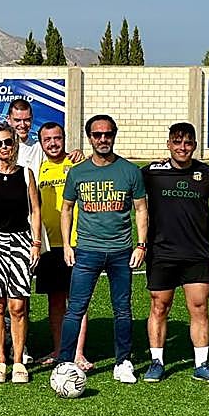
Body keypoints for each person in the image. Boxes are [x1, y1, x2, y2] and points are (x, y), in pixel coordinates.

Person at [60, 115, 148, 384]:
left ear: (114, 135)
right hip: (87, 250)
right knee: (75, 309)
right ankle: (65, 363)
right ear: (89, 138)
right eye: (97, 135)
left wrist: (141, 245)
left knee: (122, 309)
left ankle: (123, 362)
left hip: (121, 251)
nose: (102, 139)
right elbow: (66, 209)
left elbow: (141, 209)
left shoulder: (130, 171)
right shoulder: (77, 172)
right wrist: (67, 245)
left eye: (107, 134)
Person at [140, 123, 209, 384]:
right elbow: (122, 179)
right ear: (168, 144)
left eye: (188, 143)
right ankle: (157, 362)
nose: (182, 148)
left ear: (195, 146)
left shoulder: (206, 174)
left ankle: (202, 364)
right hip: (161, 252)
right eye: (177, 142)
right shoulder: (151, 173)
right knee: (159, 306)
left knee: (199, 307)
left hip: (196, 253)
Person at [0, 122, 42, 384]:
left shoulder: (26, 174)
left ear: (15, 144)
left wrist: (36, 243)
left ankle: (19, 361)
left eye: (8, 142)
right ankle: (0, 361)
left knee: (18, 306)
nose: (4, 147)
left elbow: (35, 210)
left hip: (21, 242)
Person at [33, 122, 91, 371]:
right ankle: (59, 350)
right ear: (41, 143)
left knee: (77, 301)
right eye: (47, 140)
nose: (53, 143)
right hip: (48, 245)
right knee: (55, 301)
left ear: (64, 138)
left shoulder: (77, 164)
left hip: (76, 243)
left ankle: (78, 353)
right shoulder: (38, 168)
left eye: (57, 138)